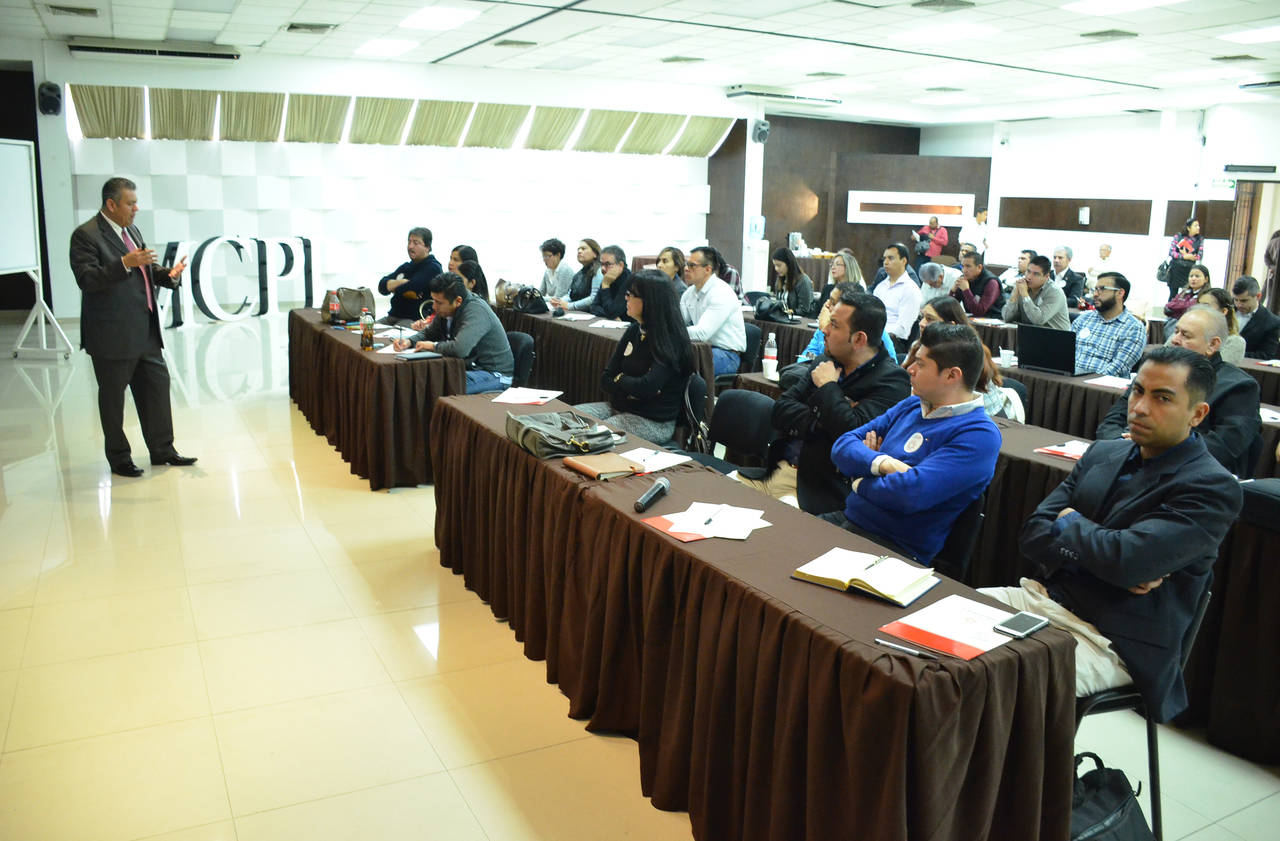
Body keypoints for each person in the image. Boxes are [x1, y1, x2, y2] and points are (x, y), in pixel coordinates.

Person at [984, 346, 1242, 720]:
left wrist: (1070, 523)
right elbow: (1032, 534)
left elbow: (1127, 562)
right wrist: (1110, 554)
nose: (1140, 408)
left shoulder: (1211, 486)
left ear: (1197, 414)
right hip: (1042, 600)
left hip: (1112, 640)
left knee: (982, 677)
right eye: (1137, 391)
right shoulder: (1103, 453)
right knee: (925, 628)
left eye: (1162, 398)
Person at [824, 323, 1002, 564]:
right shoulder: (911, 406)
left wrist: (858, 480)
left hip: (895, 551)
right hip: (848, 521)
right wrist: (884, 464)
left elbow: (909, 495)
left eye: (921, 363)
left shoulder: (979, 435)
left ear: (952, 375)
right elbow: (842, 445)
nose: (909, 369)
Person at [737, 292, 910, 514]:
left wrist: (828, 387)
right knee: (714, 494)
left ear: (859, 339)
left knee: (769, 522)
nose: (824, 330)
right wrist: (827, 417)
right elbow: (781, 410)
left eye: (834, 325)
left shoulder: (892, 381)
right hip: (776, 471)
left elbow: (851, 434)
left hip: (817, 490)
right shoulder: (825, 361)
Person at [70, 176, 195, 477]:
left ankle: (163, 450)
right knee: (113, 400)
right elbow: (87, 279)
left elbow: (145, 267)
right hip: (112, 335)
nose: (136, 208)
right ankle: (119, 458)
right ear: (111, 204)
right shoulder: (85, 235)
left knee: (156, 390)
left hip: (145, 330)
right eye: (131, 203)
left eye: (136, 203)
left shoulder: (131, 230)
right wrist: (124, 263)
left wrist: (169, 275)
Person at [1101, 306, 1260, 476]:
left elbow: (1223, 448)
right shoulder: (1155, 371)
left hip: (1188, 473)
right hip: (1126, 458)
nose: (1175, 340)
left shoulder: (1238, 387)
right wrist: (1120, 443)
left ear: (1212, 344)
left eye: (1185, 335)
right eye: (1176, 331)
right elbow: (1112, 421)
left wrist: (1149, 446)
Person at [574, 270, 695, 442]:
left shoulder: (670, 340)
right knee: (568, 419)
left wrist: (621, 379)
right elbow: (605, 379)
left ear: (650, 301)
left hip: (652, 421)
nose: (626, 298)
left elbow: (646, 387)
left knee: (589, 437)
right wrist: (632, 387)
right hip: (619, 407)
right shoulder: (634, 330)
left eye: (630, 295)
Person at [392, 272, 514, 393]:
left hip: (494, 374)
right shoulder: (446, 308)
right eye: (433, 300)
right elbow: (429, 333)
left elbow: (460, 349)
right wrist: (409, 341)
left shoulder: (476, 311)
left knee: (436, 387)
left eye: (439, 302)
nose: (434, 307)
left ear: (458, 301)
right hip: (469, 368)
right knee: (422, 378)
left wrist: (433, 346)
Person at [904, 297, 1014, 418]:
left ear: (951, 327)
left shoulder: (969, 354)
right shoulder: (917, 346)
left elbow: (977, 412)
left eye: (930, 319)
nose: (921, 323)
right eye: (922, 317)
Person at [680, 245, 747, 377]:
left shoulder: (721, 293)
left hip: (726, 354)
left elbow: (702, 333)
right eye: (686, 264)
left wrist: (671, 333)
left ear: (707, 269)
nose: (686, 269)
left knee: (681, 368)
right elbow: (679, 321)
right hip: (701, 348)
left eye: (692, 265)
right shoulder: (689, 293)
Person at [796, 281, 894, 366]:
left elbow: (837, 363)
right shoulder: (827, 324)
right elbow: (807, 354)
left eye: (833, 302)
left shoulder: (875, 332)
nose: (827, 305)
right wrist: (814, 362)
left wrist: (825, 333)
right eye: (829, 299)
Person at [1071, 272, 1147, 377]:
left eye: (1102, 289)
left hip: (1100, 384)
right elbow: (1065, 353)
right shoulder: (1083, 319)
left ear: (1120, 293)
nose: (1095, 294)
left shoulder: (1133, 328)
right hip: (1070, 378)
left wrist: (1082, 380)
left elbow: (1118, 368)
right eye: (1095, 289)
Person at [376, 226, 441, 326]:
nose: (410, 246)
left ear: (427, 247)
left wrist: (393, 287)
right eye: (409, 242)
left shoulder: (433, 267)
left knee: (395, 334)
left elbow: (412, 287)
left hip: (415, 319)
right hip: (393, 316)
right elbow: (382, 287)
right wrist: (401, 282)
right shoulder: (406, 266)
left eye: (416, 243)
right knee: (367, 330)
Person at [872, 243, 923, 355]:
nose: (885, 262)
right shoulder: (880, 287)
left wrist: (877, 335)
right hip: (874, 337)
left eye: (890, 258)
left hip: (894, 342)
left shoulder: (910, 289)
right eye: (884, 258)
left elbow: (903, 329)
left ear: (903, 261)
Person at [1002, 254, 1070, 330]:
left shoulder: (1055, 292)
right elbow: (1006, 317)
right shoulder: (1022, 285)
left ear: (1046, 276)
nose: (1029, 277)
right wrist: (1015, 294)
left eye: (1036, 274)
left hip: (1056, 335)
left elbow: (1038, 320)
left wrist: (1025, 295)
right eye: (1028, 271)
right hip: (1030, 333)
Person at [1193, 287, 1247, 366]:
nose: (1199, 310)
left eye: (1206, 306)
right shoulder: (1188, 333)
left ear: (1223, 311)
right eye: (1198, 305)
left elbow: (1220, 370)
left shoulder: (1234, 341)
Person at [1233, 275, 1280, 359]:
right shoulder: (1225, 309)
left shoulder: (1272, 322)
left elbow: (1266, 355)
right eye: (1236, 300)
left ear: (1258, 296)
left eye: (1244, 301)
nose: (1238, 305)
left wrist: (1231, 354)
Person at [550, 238, 602, 310]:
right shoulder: (577, 275)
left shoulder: (599, 271)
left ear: (595, 254)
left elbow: (594, 298)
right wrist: (559, 302)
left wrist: (570, 306)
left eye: (583, 249)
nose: (579, 251)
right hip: (578, 312)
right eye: (578, 249)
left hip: (593, 313)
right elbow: (570, 295)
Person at [950, 250, 1005, 317]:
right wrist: (953, 290)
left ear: (979, 267)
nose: (964, 270)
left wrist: (966, 290)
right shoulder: (964, 279)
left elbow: (979, 312)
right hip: (972, 318)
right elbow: (949, 308)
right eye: (962, 266)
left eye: (968, 266)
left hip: (992, 319)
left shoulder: (991, 282)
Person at [588, 245, 632, 320]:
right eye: (601, 264)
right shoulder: (608, 278)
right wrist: (610, 315)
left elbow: (612, 312)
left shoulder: (630, 281)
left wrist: (605, 286)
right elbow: (593, 307)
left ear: (621, 265)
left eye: (607, 264)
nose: (602, 268)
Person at [770, 246, 816, 316]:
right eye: (775, 265)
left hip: (800, 320)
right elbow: (778, 303)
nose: (776, 269)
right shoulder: (780, 279)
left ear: (788, 263)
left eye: (779, 265)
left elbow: (804, 310)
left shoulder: (803, 281)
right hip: (783, 318)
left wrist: (788, 312)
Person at [1167, 218, 1204, 301]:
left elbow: (1199, 255)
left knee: (1187, 294)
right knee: (1173, 294)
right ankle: (1170, 308)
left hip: (1189, 270)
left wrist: (1191, 256)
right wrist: (1184, 256)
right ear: (1188, 228)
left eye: (1198, 226)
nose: (1198, 227)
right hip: (1176, 269)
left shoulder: (1200, 239)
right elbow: (1171, 252)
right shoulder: (1178, 236)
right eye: (1195, 226)